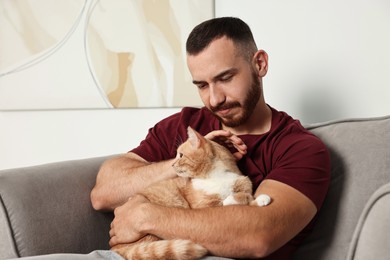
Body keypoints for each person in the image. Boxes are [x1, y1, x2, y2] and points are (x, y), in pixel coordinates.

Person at [91, 17, 330, 259]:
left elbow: (256, 237)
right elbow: (103, 194)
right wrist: (193, 160)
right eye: (202, 85)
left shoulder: (300, 148)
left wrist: (146, 217)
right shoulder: (187, 126)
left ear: (260, 64)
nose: (215, 99)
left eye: (225, 78)